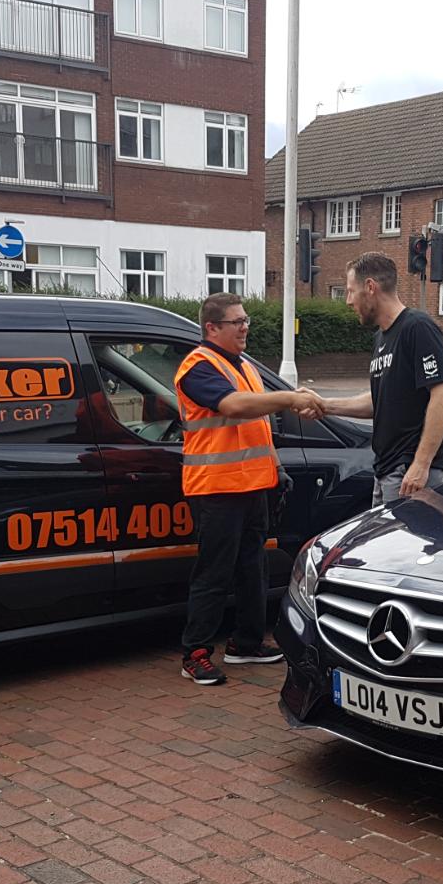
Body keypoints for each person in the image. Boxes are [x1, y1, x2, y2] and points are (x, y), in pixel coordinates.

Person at [175, 293, 323, 686]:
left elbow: (258, 426)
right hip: (216, 488)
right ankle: (196, 653)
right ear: (212, 328)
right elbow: (236, 407)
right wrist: (291, 398)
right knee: (214, 572)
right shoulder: (198, 366)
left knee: (251, 568)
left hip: (253, 485)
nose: (244, 328)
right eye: (236, 322)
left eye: (246, 321)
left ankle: (246, 643)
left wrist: (275, 468)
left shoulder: (243, 367)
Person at [319, 253, 443, 506]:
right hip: (386, 472)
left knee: (403, 546)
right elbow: (380, 401)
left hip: (409, 474)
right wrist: (324, 405)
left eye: (351, 291)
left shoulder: (418, 327)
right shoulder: (382, 338)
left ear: (370, 287)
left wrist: (420, 465)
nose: (348, 301)